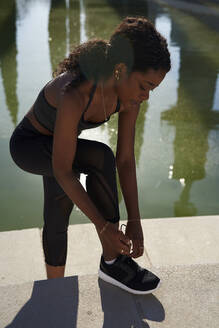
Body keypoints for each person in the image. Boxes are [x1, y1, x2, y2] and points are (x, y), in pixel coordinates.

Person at [9, 16, 171, 294]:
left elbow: (126, 160)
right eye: (144, 86)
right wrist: (103, 226)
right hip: (29, 146)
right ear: (121, 69)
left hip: (63, 144)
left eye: (152, 89)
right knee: (92, 163)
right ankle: (79, 276)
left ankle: (109, 263)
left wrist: (135, 221)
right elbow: (62, 169)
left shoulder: (130, 97)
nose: (146, 96)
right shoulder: (76, 92)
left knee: (86, 175)